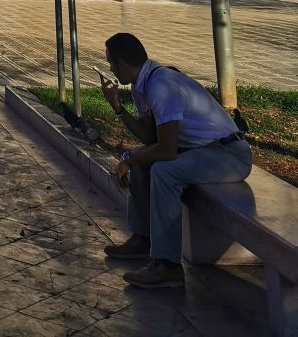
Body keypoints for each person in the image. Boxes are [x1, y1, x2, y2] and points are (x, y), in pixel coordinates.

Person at [100, 31, 252, 290]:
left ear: (122, 64)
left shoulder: (161, 86)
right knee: (145, 164)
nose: (111, 69)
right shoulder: (142, 85)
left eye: (111, 64)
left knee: (164, 170)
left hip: (229, 155)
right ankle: (144, 239)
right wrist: (117, 107)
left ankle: (168, 266)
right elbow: (150, 137)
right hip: (202, 151)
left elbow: (167, 150)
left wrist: (129, 157)